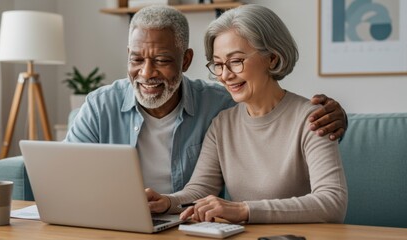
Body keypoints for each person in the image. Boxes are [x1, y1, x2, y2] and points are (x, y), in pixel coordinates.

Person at [65, 6, 347, 195]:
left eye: (162, 60)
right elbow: (64, 175)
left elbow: (275, 115)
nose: (146, 73)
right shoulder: (100, 105)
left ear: (186, 60)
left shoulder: (222, 104)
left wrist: (337, 119)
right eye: (136, 59)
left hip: (188, 226)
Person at [145, 5, 347, 224]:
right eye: (219, 64)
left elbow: (332, 202)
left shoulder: (313, 119)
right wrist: (167, 202)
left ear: (271, 58)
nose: (225, 75)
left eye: (236, 61)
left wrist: (244, 210)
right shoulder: (222, 124)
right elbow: (200, 189)